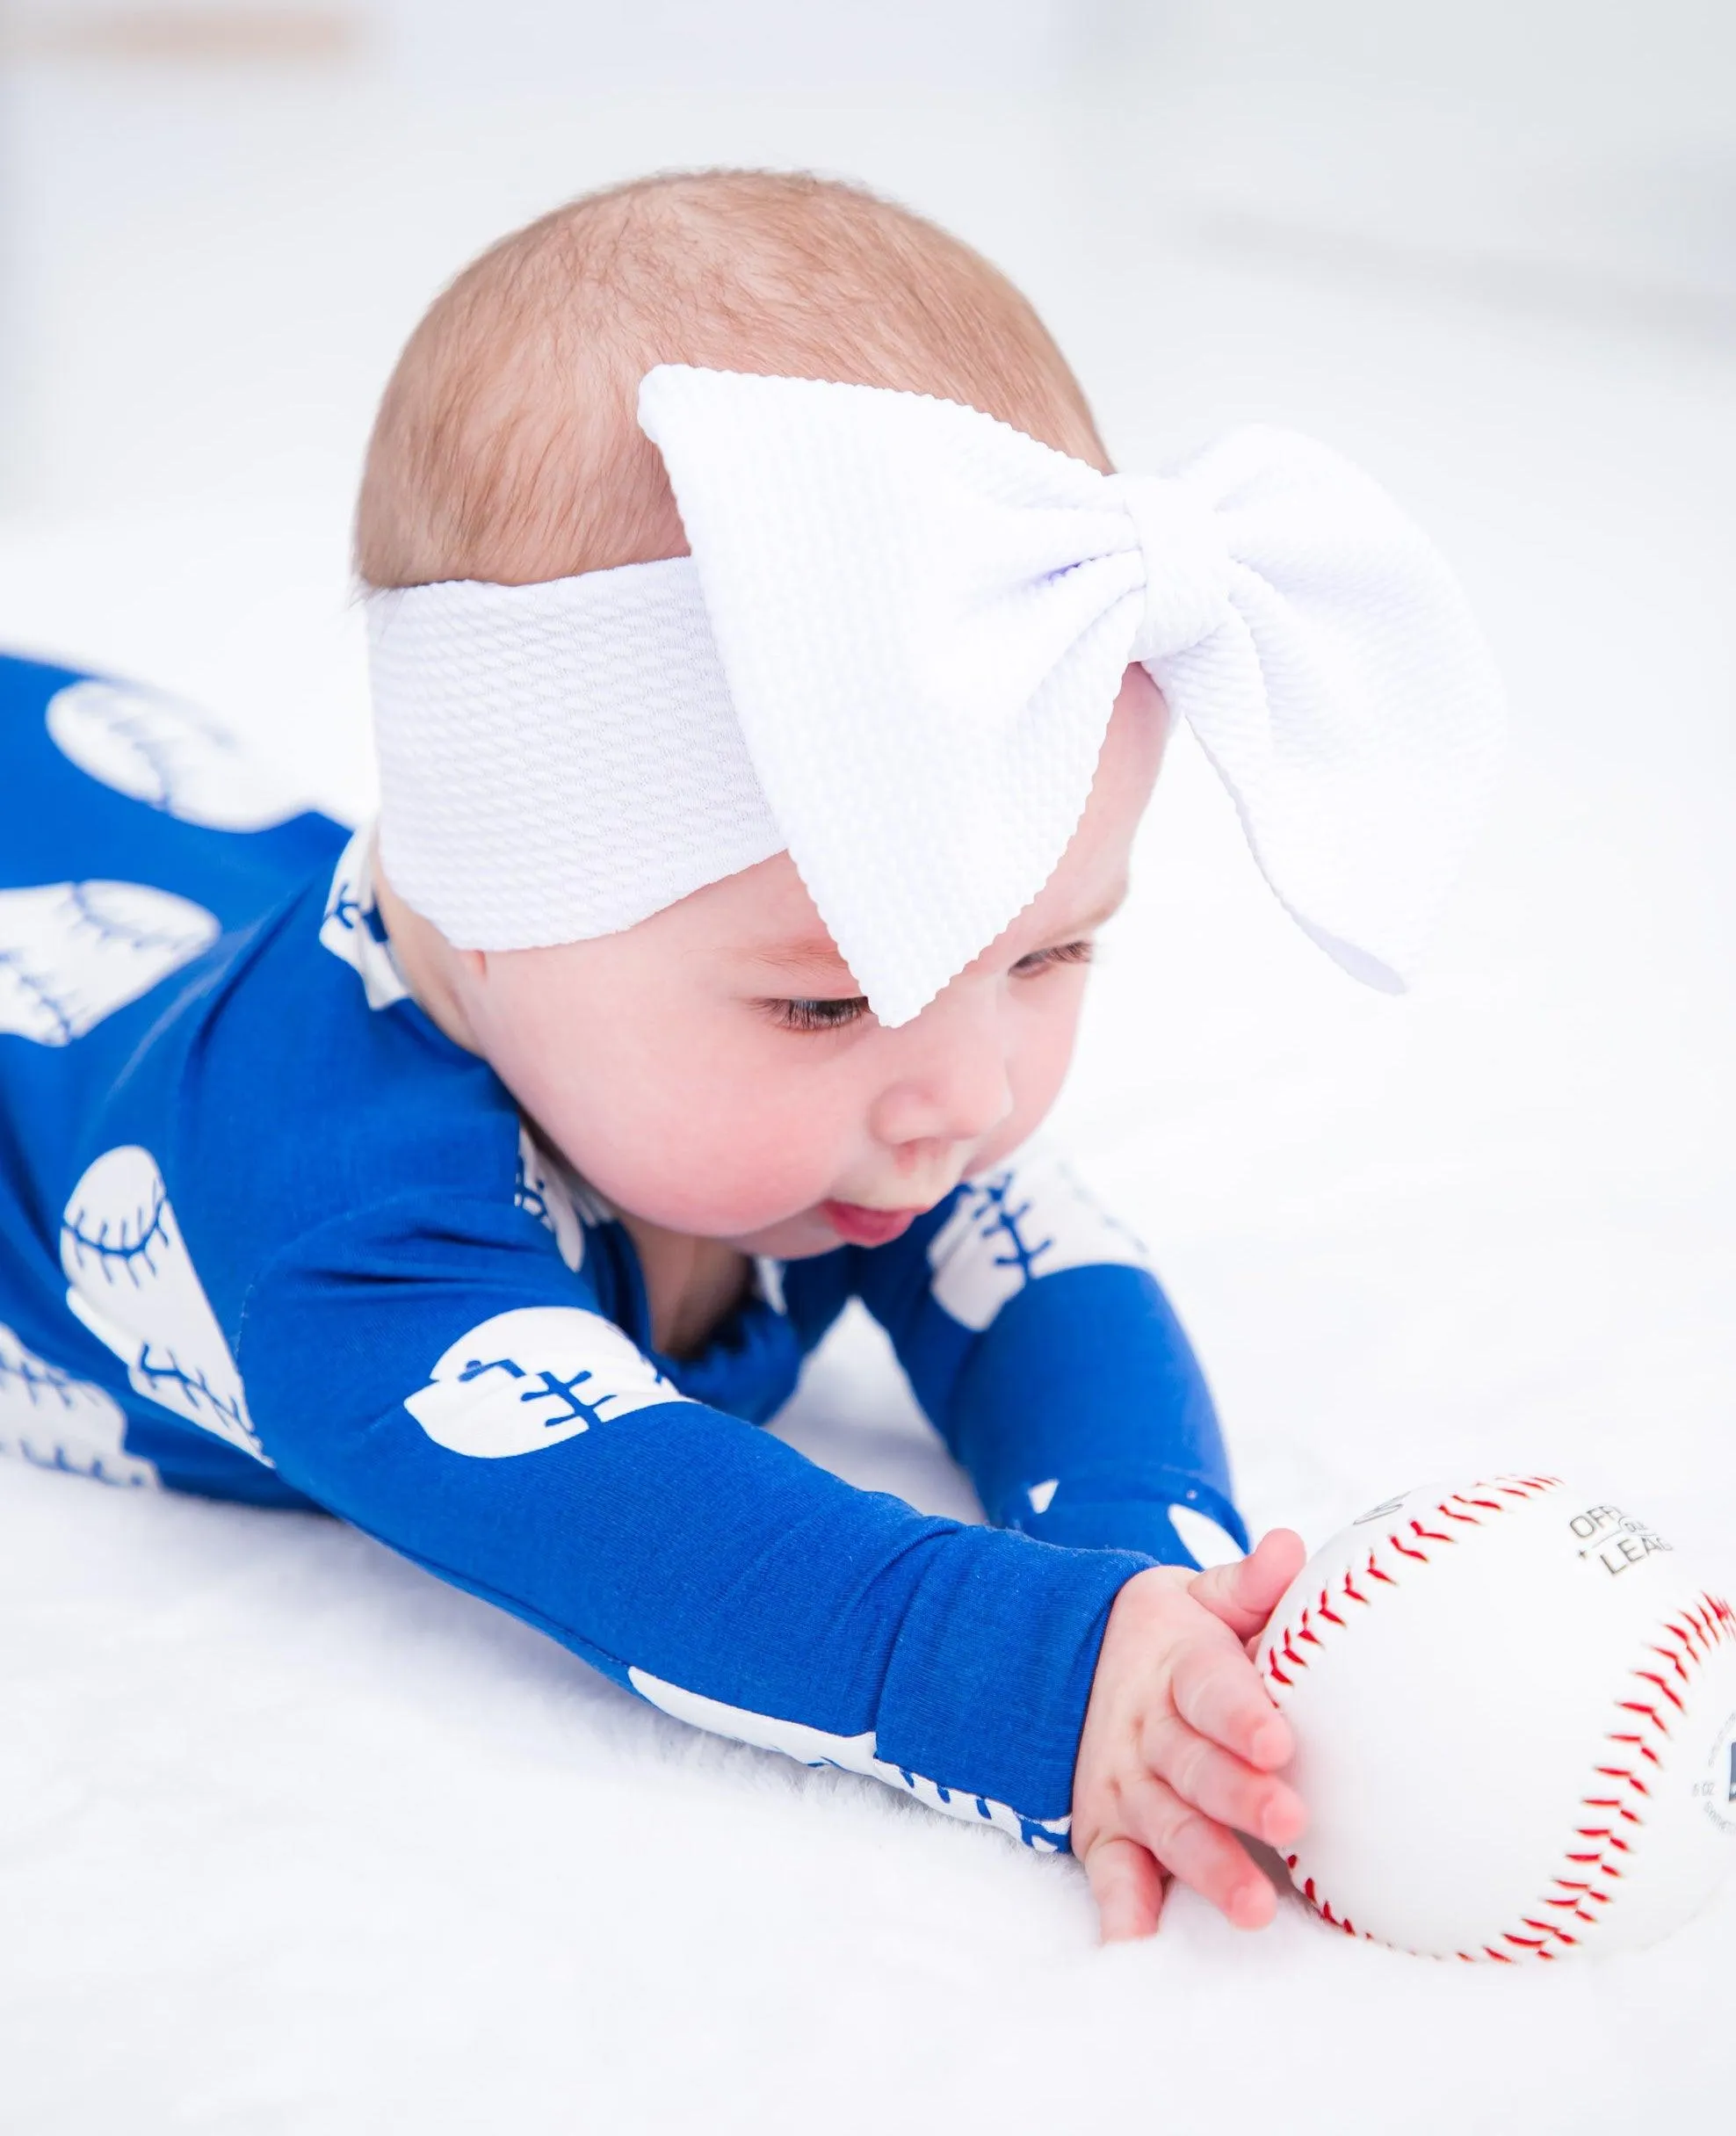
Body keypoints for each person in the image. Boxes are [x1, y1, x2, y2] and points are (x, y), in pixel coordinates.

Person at [0, 170, 1500, 1941]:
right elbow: (638, 1520)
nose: (969, 1100)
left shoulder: (835, 1091)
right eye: (824, 1001)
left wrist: (1142, 1562)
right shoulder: (331, 1213)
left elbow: (1047, 1276)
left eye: (1050, 952)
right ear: (487, 886)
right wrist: (1047, 1670)